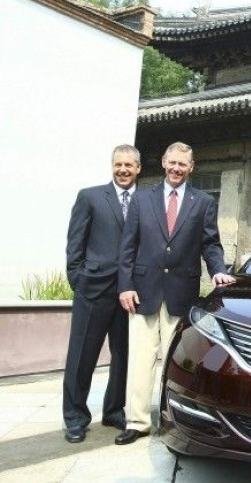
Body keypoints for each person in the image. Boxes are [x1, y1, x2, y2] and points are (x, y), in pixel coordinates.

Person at [115, 141, 235, 445]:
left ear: (191, 167)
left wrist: (217, 269)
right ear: (163, 163)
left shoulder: (204, 202)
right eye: (173, 163)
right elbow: (128, 247)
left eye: (183, 164)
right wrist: (125, 285)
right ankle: (137, 421)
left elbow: (210, 243)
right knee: (140, 359)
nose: (177, 169)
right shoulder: (142, 200)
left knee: (176, 362)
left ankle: (170, 416)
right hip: (142, 292)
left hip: (182, 292)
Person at [63, 144, 141, 443]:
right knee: (82, 355)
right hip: (92, 290)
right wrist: (78, 280)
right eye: (118, 164)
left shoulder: (146, 200)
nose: (123, 170)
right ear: (112, 166)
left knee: (123, 356)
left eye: (129, 166)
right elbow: (75, 243)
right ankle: (75, 417)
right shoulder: (90, 196)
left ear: (138, 168)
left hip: (129, 293)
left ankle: (113, 410)